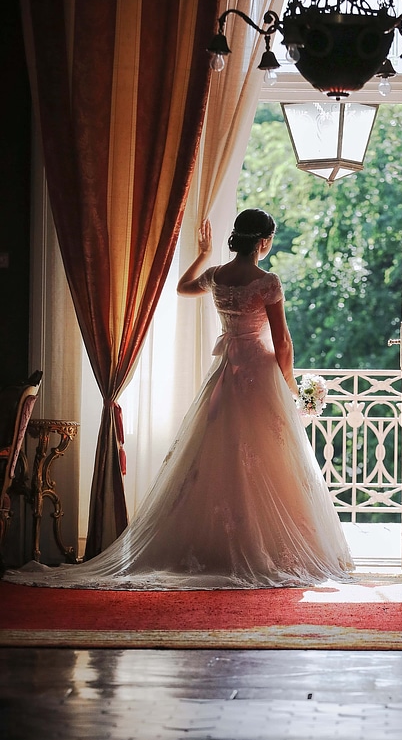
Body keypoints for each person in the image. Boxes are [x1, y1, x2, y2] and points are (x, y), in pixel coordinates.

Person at [5, 208, 354, 590]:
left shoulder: (217, 276)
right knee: (273, 456)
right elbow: (283, 341)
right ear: (264, 242)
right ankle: (263, 547)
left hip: (227, 373)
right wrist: (288, 384)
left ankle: (216, 546)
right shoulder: (267, 281)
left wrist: (203, 253)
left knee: (216, 456)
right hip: (259, 372)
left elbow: (182, 287)